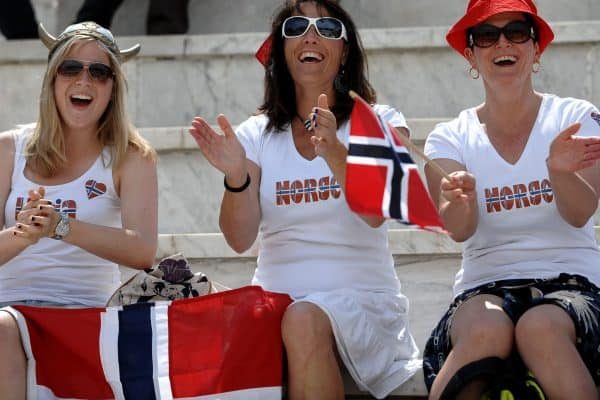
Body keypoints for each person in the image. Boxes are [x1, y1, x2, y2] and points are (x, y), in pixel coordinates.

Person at [189, 1, 420, 399]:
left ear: (344, 52)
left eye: (328, 28)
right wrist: (236, 176)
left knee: (301, 319)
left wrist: (333, 151)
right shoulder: (256, 133)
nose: (311, 35)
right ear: (281, 49)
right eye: (297, 26)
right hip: (277, 304)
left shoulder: (379, 119)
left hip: (362, 305)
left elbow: (377, 214)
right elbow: (239, 239)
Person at [422, 0, 600, 399]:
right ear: (470, 53)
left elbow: (581, 212)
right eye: (486, 35)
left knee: (538, 327)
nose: (503, 43)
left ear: (536, 48)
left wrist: (558, 171)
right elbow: (458, 229)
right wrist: (459, 202)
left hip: (572, 282)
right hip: (483, 286)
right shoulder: (448, 137)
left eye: (517, 31)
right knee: (487, 328)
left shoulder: (577, 116)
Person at [0, 21, 157, 398]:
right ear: (52, 80)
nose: (83, 80)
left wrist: (60, 227)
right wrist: (24, 235)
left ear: (112, 89)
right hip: (8, 308)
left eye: (99, 72)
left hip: (85, 312)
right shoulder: (8, 149)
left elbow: (142, 250)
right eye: (70, 68)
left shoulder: (132, 156)